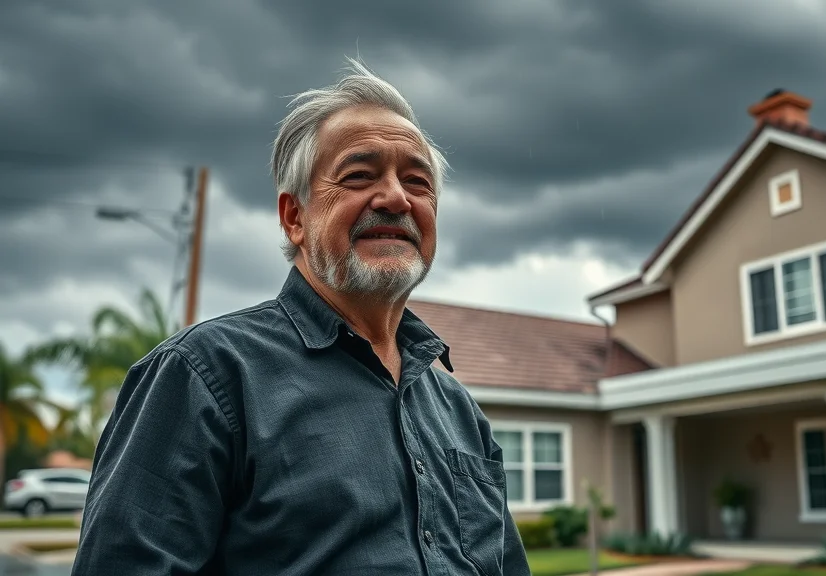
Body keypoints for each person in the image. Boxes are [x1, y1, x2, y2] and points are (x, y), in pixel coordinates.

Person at [71, 59, 531, 575]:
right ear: (295, 217)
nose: (396, 198)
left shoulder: (459, 412)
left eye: (418, 182)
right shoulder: (204, 375)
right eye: (359, 176)